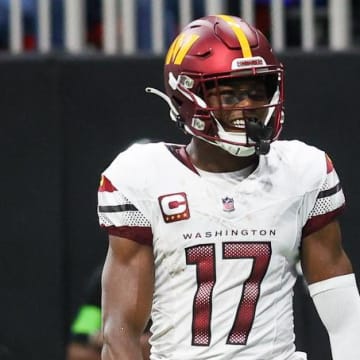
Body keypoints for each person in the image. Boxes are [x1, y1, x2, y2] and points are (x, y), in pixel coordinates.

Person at [97, 15, 360, 360]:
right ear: (185, 96)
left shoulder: (302, 173)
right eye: (230, 92)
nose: (248, 105)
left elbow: (345, 316)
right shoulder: (143, 178)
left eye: (256, 90)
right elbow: (120, 335)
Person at [66, 266, 151, 360]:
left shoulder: (162, 278)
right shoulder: (103, 280)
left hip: (156, 342)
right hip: (114, 343)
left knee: (144, 345)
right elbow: (81, 334)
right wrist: (96, 337)